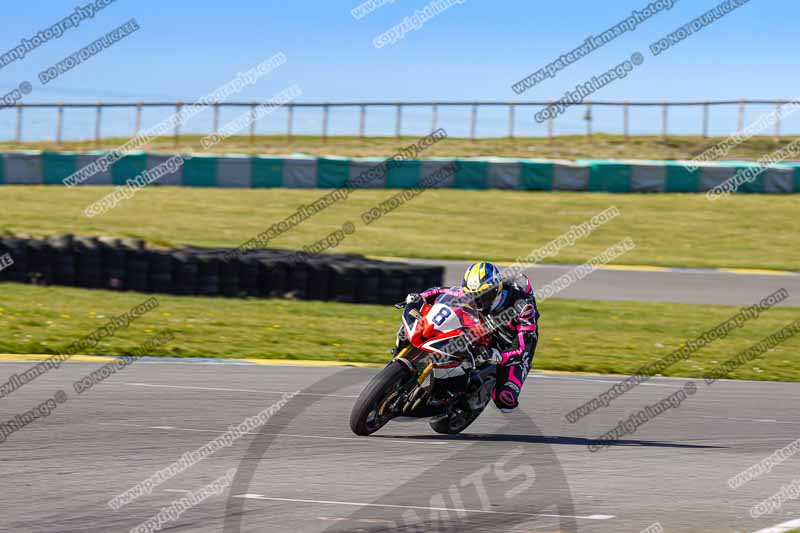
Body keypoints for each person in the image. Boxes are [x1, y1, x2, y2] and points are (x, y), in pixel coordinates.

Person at [399, 261, 539, 412]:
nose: (478, 301)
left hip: (510, 343)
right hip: (484, 327)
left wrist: (495, 355)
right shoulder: (470, 294)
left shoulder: (523, 307)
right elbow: (441, 291)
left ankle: (471, 400)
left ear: (496, 290)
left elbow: (523, 348)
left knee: (505, 400)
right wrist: (419, 297)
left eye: (483, 295)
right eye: (473, 295)